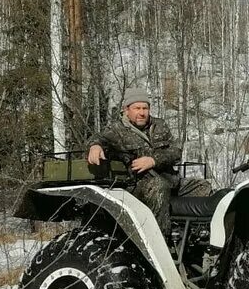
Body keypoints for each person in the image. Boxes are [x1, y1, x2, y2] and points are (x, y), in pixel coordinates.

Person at [87, 88, 211, 232]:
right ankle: (160, 240)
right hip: (138, 185)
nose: (142, 112)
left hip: (170, 181)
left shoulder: (159, 125)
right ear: (126, 110)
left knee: (203, 186)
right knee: (159, 187)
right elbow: (98, 139)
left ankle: (193, 236)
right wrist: (95, 147)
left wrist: (153, 160)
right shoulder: (116, 130)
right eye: (137, 108)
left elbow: (175, 151)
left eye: (145, 108)